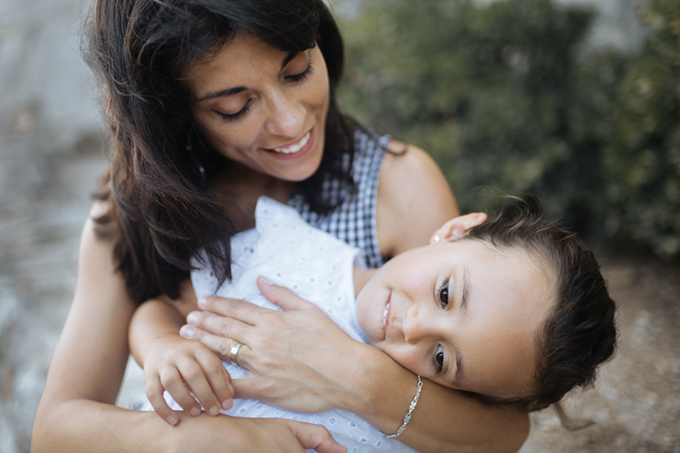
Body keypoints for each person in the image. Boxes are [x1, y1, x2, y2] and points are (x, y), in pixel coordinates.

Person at [31, 1, 531, 452]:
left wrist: (353, 375)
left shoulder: (396, 185)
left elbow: (503, 430)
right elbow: (55, 431)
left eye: (297, 71)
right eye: (235, 107)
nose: (291, 122)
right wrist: (200, 440)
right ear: (173, 114)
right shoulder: (133, 219)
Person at [129, 197, 617, 452]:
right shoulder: (291, 253)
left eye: (442, 359)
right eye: (446, 294)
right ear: (455, 232)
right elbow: (164, 308)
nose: (417, 326)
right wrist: (161, 349)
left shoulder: (412, 422)